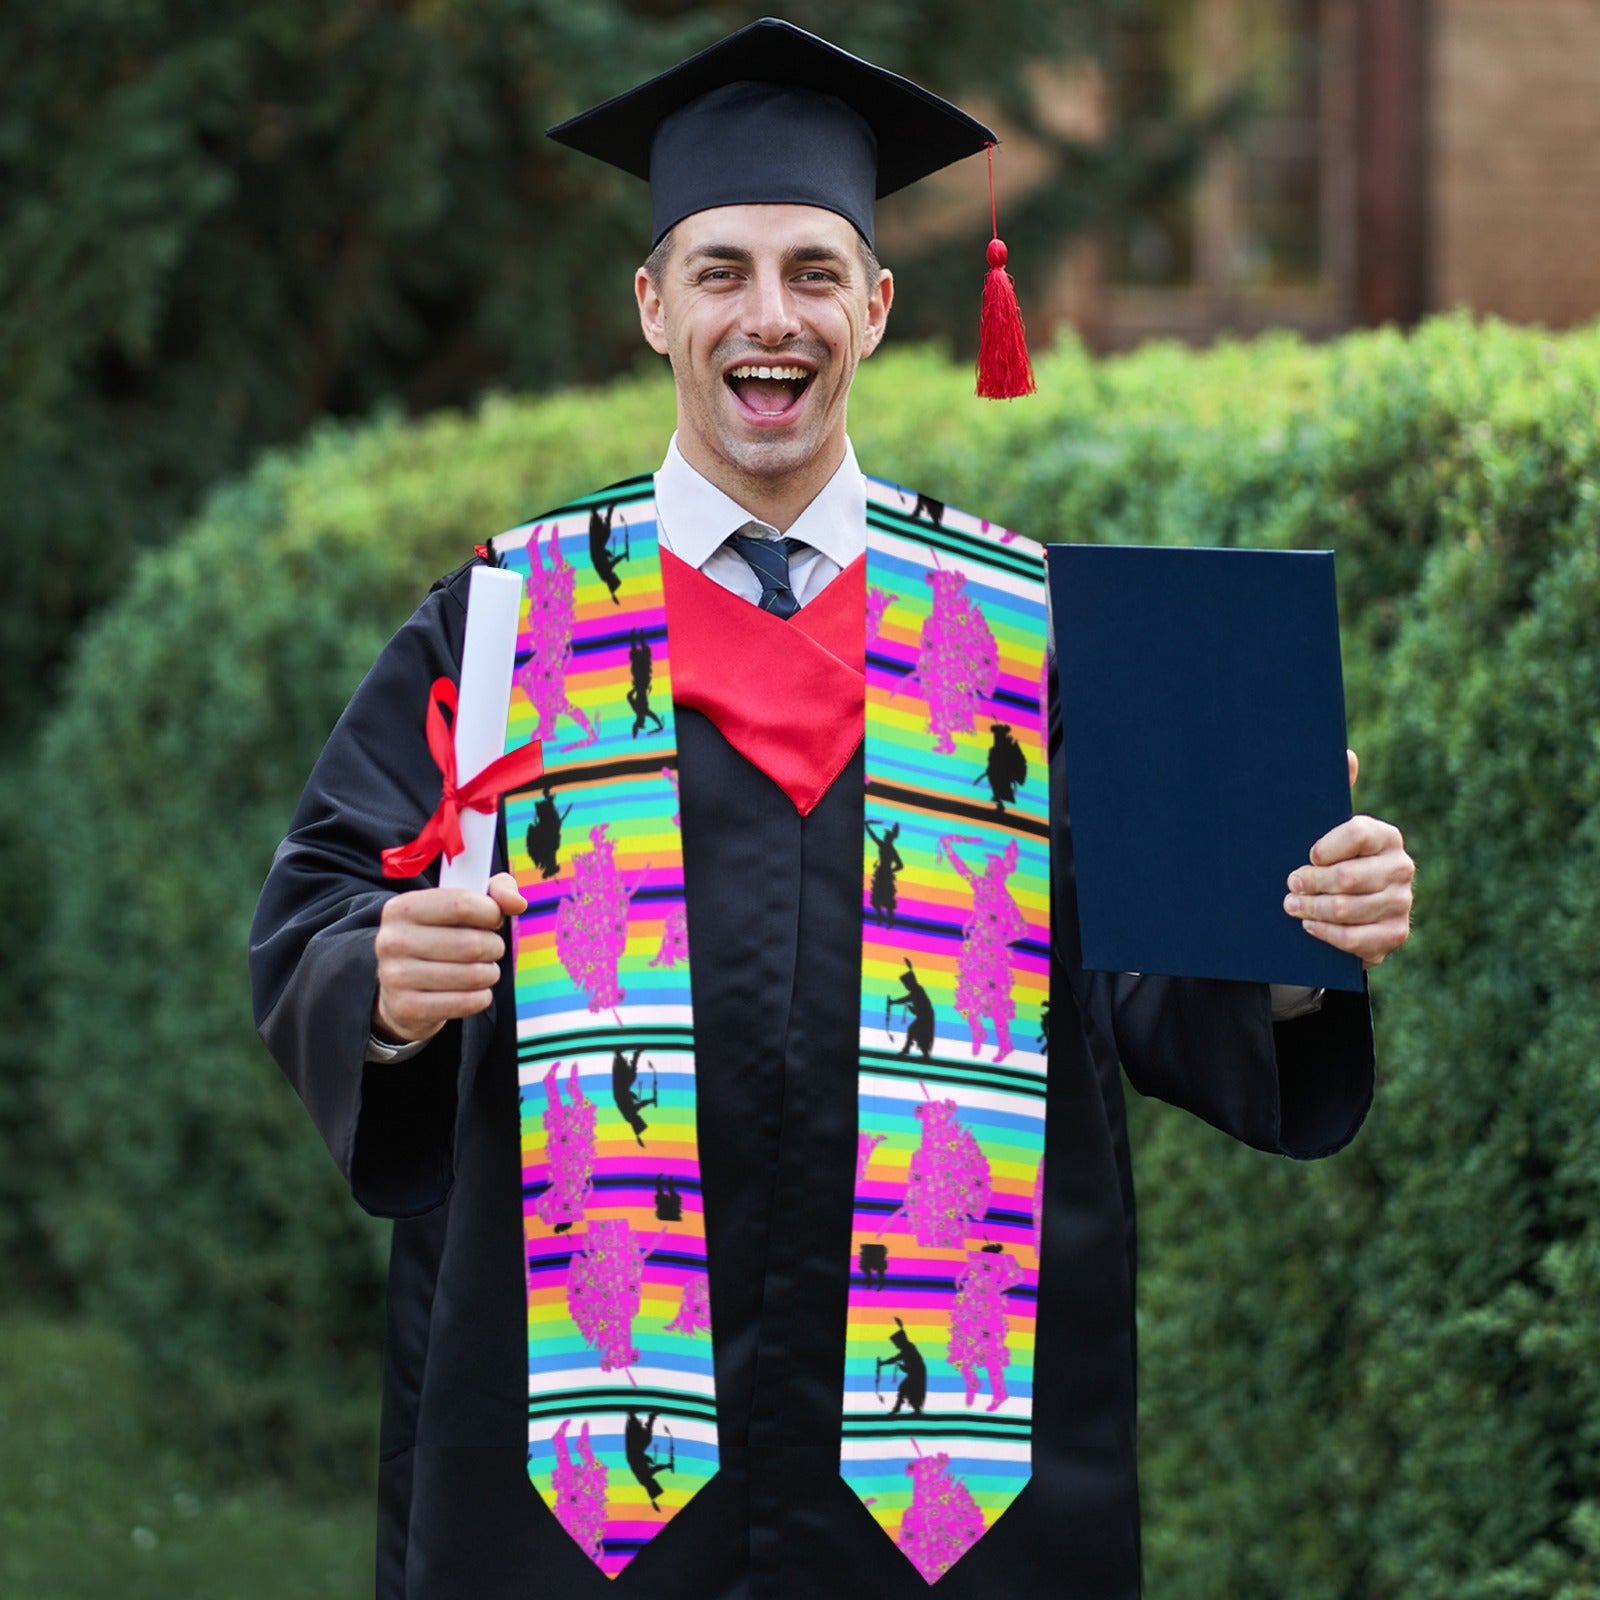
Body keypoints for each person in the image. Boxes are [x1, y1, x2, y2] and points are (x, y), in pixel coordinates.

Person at [249, 19, 1414, 1600]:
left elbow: (1150, 977)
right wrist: (380, 984)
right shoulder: (510, 623)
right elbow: (323, 902)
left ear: (876, 305)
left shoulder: (1026, 626)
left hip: (951, 1484)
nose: (768, 316)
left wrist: (1292, 934)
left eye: (812, 270)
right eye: (721, 270)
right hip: (583, 1475)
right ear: (654, 305)